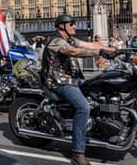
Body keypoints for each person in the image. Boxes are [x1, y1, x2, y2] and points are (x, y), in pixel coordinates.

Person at [41, 14, 116, 165]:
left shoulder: (70, 39)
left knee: (99, 90)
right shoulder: (55, 41)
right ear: (62, 26)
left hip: (71, 79)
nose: (75, 26)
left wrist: (114, 50)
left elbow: (90, 45)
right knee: (83, 108)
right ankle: (78, 153)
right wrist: (100, 53)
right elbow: (73, 52)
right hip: (58, 81)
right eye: (71, 24)